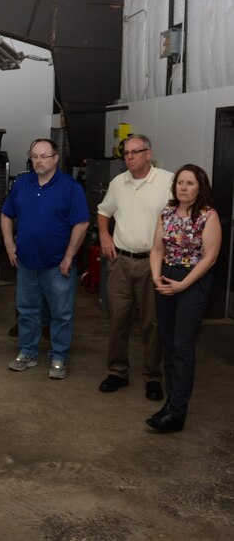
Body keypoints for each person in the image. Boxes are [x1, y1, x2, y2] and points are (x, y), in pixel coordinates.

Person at [1, 138, 89, 379]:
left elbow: (81, 223)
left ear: (55, 158)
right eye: (34, 156)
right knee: (27, 310)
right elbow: (6, 215)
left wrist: (69, 257)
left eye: (43, 156)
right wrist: (9, 245)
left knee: (61, 313)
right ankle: (27, 352)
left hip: (57, 265)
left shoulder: (70, 187)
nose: (38, 161)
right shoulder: (22, 183)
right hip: (26, 263)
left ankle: (59, 357)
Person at [96, 134, 173, 400]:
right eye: (126, 153)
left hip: (153, 264)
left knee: (151, 323)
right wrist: (105, 236)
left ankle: (153, 377)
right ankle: (117, 371)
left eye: (135, 152)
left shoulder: (168, 181)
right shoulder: (119, 182)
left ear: (148, 154)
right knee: (118, 319)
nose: (129, 157)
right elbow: (103, 211)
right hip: (120, 262)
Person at [146, 164, 221, 433]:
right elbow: (157, 248)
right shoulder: (166, 213)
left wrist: (184, 284)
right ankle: (170, 403)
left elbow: (210, 257)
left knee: (182, 347)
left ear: (200, 187)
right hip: (166, 279)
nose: (183, 187)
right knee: (167, 343)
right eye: (180, 183)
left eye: (189, 183)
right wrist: (157, 277)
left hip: (193, 282)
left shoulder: (207, 216)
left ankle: (177, 414)